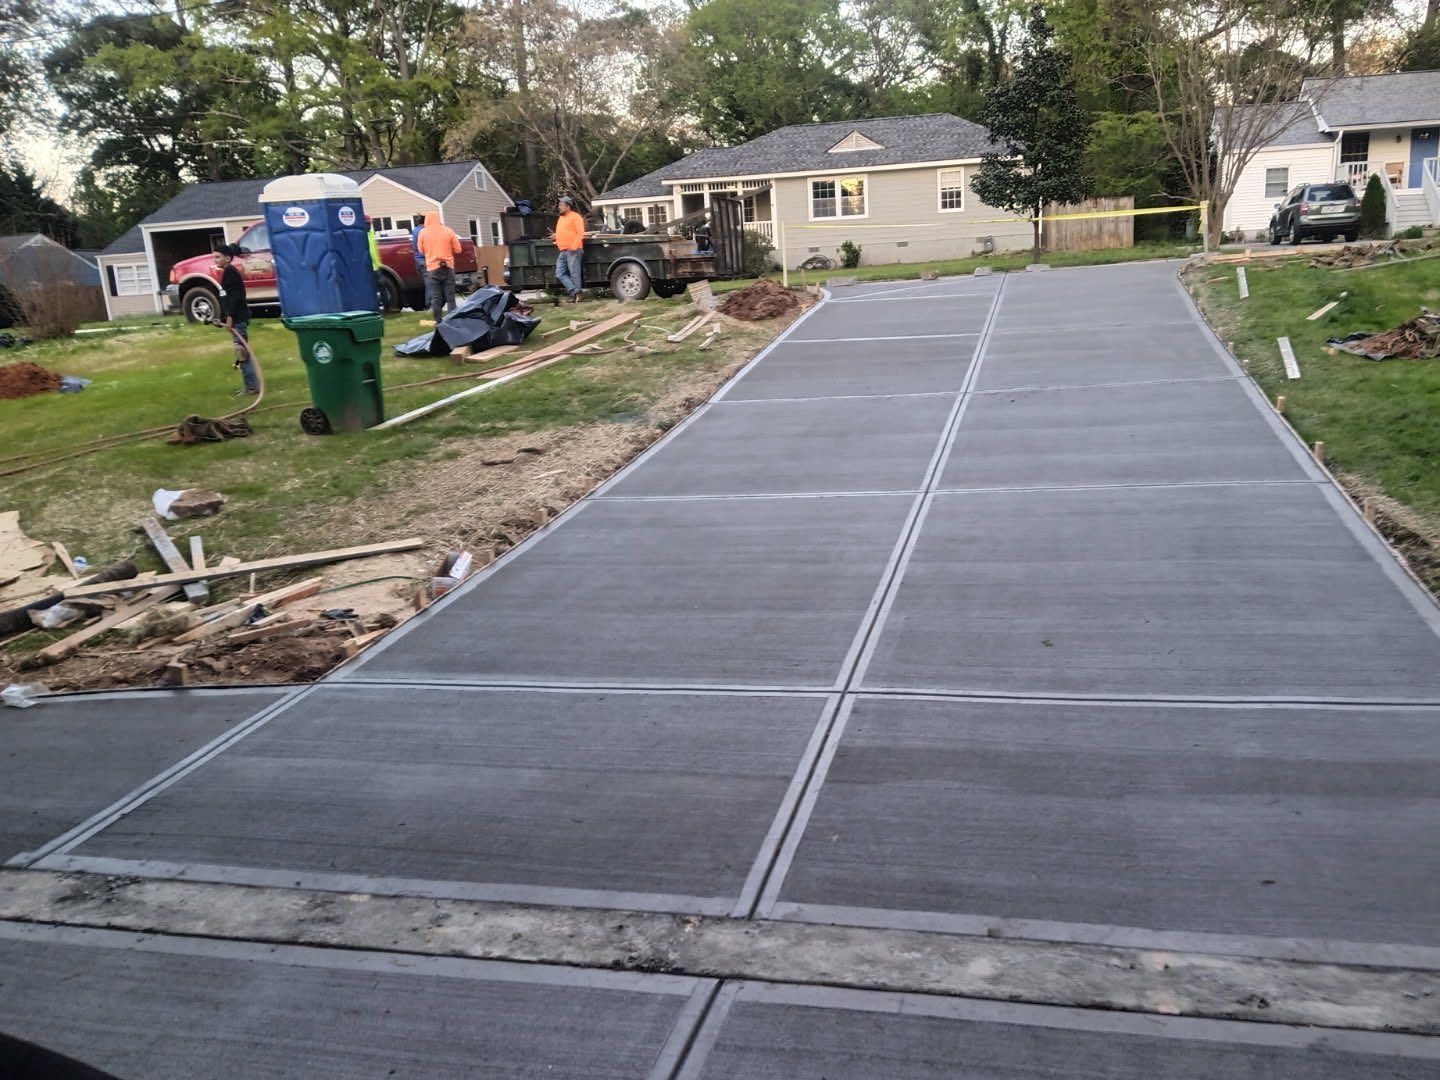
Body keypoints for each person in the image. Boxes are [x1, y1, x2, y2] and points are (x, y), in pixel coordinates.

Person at [212, 243, 259, 396]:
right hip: (235, 317)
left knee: (241, 353)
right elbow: (227, 298)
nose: (215, 260)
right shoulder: (227, 272)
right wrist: (222, 318)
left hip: (238, 318)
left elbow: (236, 297)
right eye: (214, 257)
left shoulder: (230, 272)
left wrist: (231, 317)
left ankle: (251, 387)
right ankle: (250, 386)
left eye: (217, 257)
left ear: (227, 258)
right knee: (241, 352)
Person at [417, 209, 461, 322]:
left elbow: (420, 251)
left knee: (436, 298)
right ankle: (452, 321)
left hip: (432, 268)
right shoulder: (448, 231)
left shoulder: (423, 232)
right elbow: (458, 249)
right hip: (448, 266)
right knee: (450, 297)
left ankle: (438, 321)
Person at [552, 195, 585, 301]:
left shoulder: (576, 217)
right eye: (559, 205)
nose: (559, 207)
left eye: (561, 205)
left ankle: (577, 295)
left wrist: (574, 246)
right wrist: (555, 237)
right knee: (559, 273)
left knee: (574, 273)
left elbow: (580, 233)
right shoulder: (561, 218)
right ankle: (574, 291)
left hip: (573, 250)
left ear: (568, 206)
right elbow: (563, 232)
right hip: (563, 250)